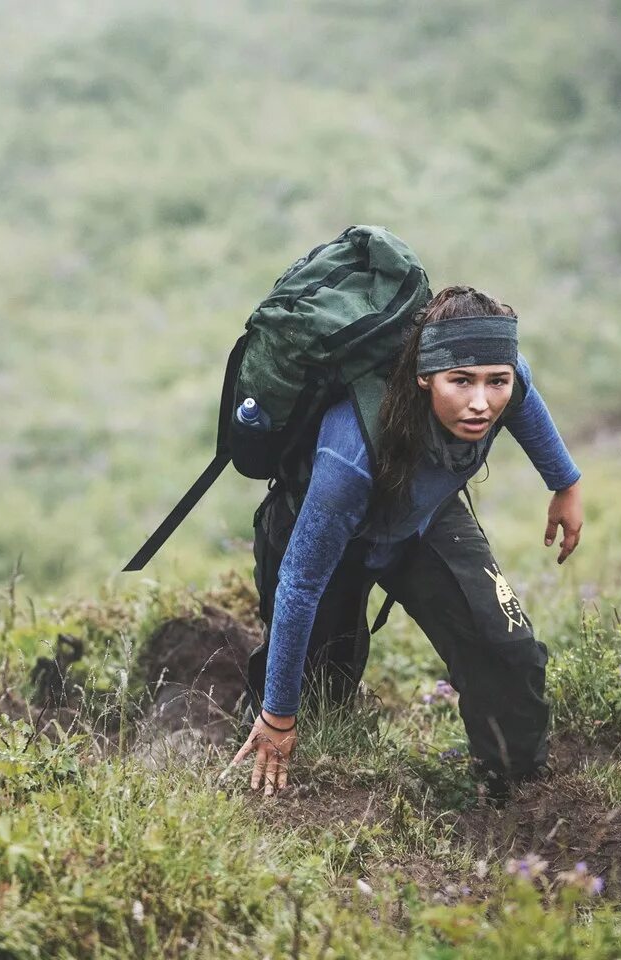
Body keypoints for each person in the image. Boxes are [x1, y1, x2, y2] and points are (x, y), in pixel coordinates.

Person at [227, 285, 584, 799]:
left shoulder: (503, 374)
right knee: (315, 694)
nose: (481, 402)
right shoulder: (349, 456)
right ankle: (257, 765)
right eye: (460, 382)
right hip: (328, 530)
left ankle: (518, 789)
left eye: (495, 382)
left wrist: (564, 483)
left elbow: (524, 398)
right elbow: (300, 585)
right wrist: (279, 718)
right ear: (424, 377)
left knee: (505, 648)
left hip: (423, 519)